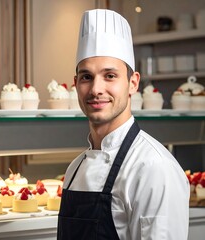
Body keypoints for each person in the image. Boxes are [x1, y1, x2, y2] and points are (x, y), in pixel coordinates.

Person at [57, 9, 190, 240]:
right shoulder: (74, 169)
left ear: (132, 83)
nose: (96, 89)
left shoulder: (153, 168)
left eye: (109, 76)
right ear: (76, 84)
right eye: (87, 77)